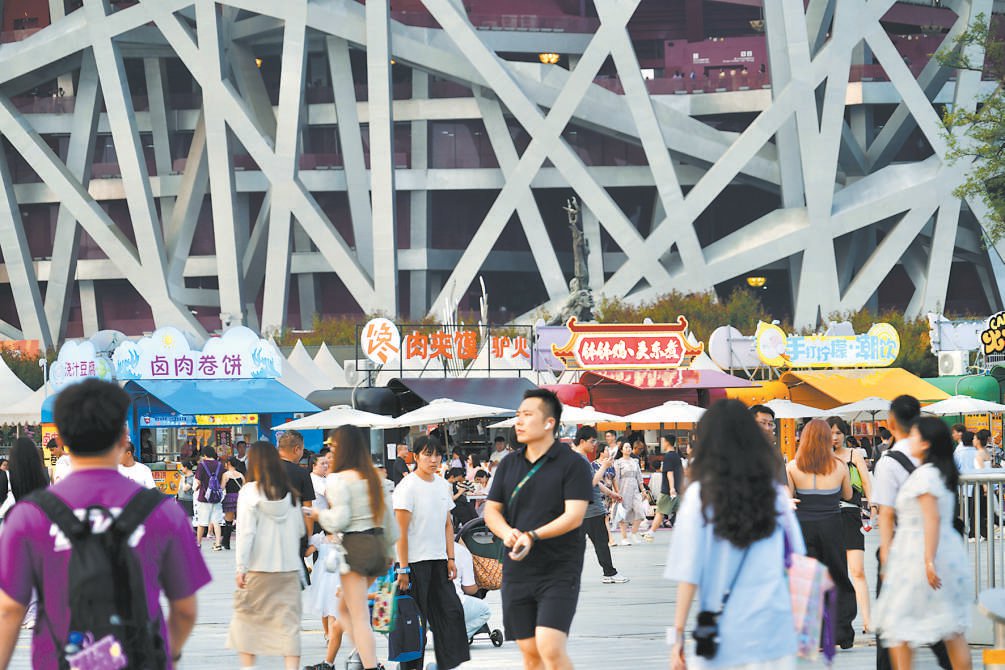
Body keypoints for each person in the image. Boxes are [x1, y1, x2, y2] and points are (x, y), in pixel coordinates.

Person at [0, 378, 210, 669]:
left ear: (63, 441)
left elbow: (9, 610)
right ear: (124, 438)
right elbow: (185, 608)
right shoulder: (164, 512)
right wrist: (167, 655)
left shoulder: (29, 515)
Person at [666, 399, 806, 670]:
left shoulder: (700, 496)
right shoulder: (775, 494)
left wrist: (677, 637)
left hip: (725, 631)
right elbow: (796, 557)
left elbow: (688, 574)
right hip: (776, 629)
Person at [484, 388, 593, 670]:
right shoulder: (508, 464)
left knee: (550, 647)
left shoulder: (573, 464)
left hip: (559, 569)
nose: (518, 421)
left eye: (527, 415)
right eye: (518, 415)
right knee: (531, 655)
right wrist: (507, 533)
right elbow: (491, 511)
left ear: (549, 423)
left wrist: (533, 536)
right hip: (517, 571)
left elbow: (574, 516)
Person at [873, 417, 972, 670]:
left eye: (914, 436)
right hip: (937, 553)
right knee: (949, 629)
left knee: (901, 626)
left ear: (926, 443)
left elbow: (931, 518)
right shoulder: (938, 473)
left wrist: (928, 560)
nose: (909, 440)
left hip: (918, 556)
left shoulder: (924, 476)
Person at [306, 426, 398, 670]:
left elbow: (339, 520)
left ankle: (371, 665)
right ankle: (369, 662)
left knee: (356, 617)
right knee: (345, 610)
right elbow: (390, 520)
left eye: (334, 447)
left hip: (356, 547)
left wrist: (318, 514)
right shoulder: (376, 478)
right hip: (378, 546)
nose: (331, 452)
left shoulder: (339, 479)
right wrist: (390, 553)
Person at [227, 441, 306, 669]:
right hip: (289, 569)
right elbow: (300, 530)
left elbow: (246, 533)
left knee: (246, 622)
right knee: (289, 627)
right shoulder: (291, 493)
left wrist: (241, 567)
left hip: (259, 568)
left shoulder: (249, 492)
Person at [393, 435, 470, 670]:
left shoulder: (442, 485)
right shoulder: (407, 487)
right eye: (427, 454)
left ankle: (446, 664)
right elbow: (400, 531)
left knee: (452, 614)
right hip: (413, 564)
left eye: (437, 454)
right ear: (416, 457)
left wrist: (451, 558)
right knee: (415, 624)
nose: (433, 459)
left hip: (438, 562)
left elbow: (448, 524)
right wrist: (403, 569)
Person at [786, 418, 857, 648]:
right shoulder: (839, 466)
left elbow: (790, 497)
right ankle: (842, 633)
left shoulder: (793, 466)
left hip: (803, 527)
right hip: (832, 525)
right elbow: (847, 495)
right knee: (838, 576)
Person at [829, 415, 875, 634]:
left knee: (857, 570)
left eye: (838, 433)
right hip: (828, 517)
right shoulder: (820, 456)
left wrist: (872, 504)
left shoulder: (853, 454)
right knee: (833, 573)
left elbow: (866, 481)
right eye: (830, 433)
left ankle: (868, 621)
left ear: (845, 434)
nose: (834, 437)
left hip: (850, 514)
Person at [570, 426, 628, 584]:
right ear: (582, 441)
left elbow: (595, 482)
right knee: (601, 543)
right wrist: (604, 466)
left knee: (580, 546)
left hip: (585, 509)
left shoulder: (580, 458)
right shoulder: (580, 459)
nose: (594, 445)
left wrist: (611, 493)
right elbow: (591, 482)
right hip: (591, 510)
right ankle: (609, 573)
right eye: (592, 441)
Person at [3, 437, 49, 629]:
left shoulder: (8, 479)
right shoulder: (45, 478)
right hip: (40, 525)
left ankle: (25, 612)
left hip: (13, 525)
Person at [303, 530, 344, 670]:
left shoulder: (341, 537)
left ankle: (331, 635)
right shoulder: (320, 538)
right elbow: (307, 553)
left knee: (332, 606)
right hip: (322, 576)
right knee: (324, 606)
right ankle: (327, 633)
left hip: (336, 575)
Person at [278, 430, 315, 555]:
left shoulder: (263, 470)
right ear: (297, 449)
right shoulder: (302, 473)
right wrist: (308, 539)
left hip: (267, 535)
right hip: (294, 534)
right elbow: (307, 509)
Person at [453, 539, 491, 637]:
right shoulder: (460, 550)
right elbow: (469, 589)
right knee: (485, 611)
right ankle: (457, 636)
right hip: (452, 605)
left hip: (424, 610)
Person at [648, 434, 683, 537]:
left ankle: (651, 532)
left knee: (660, 511)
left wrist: (671, 488)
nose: (662, 444)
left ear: (667, 442)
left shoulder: (668, 456)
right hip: (678, 489)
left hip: (668, 490)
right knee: (679, 512)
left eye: (663, 441)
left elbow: (669, 473)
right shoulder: (677, 456)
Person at [614, 441, 647, 545]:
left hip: (635, 490)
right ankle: (624, 538)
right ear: (621, 450)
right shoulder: (618, 462)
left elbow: (639, 477)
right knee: (624, 513)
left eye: (629, 447)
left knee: (640, 511)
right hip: (623, 490)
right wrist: (616, 492)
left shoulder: (635, 461)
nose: (628, 449)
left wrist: (643, 490)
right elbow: (616, 479)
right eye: (626, 447)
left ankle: (633, 533)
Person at [195, 446, 225, 550]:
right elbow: (222, 483)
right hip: (216, 497)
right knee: (216, 521)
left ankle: (198, 543)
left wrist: (197, 488)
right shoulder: (220, 465)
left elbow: (198, 481)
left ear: (204, 454)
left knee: (202, 522)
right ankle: (218, 544)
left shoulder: (201, 465)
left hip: (204, 497)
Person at [221, 457, 246, 550]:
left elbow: (222, 487)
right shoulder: (241, 475)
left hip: (230, 498)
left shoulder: (226, 475)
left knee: (228, 522)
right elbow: (244, 487)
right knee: (240, 521)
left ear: (229, 463)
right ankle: (242, 543)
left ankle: (226, 542)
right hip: (240, 498)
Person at [176, 459, 196, 527]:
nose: (181, 469)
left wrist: (183, 478)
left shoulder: (192, 478)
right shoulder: (184, 477)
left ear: (186, 467)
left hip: (188, 501)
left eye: (182, 467)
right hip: (181, 499)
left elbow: (185, 488)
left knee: (188, 520)